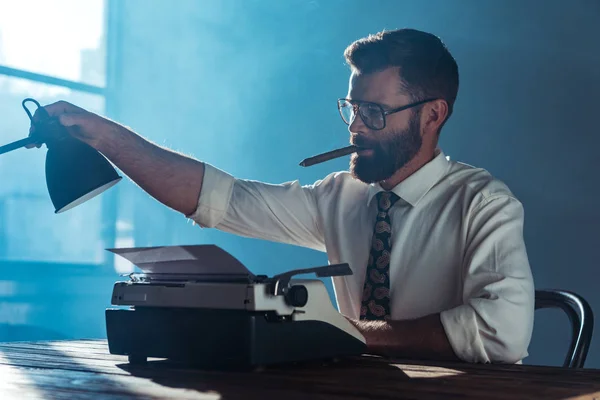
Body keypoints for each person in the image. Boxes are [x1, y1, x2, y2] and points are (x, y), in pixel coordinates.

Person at [30, 28, 534, 364]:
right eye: (352, 108)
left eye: (374, 113)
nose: (356, 127)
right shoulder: (342, 196)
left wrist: (349, 332)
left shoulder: (484, 203)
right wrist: (106, 137)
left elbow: (502, 331)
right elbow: (217, 198)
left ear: (432, 116)